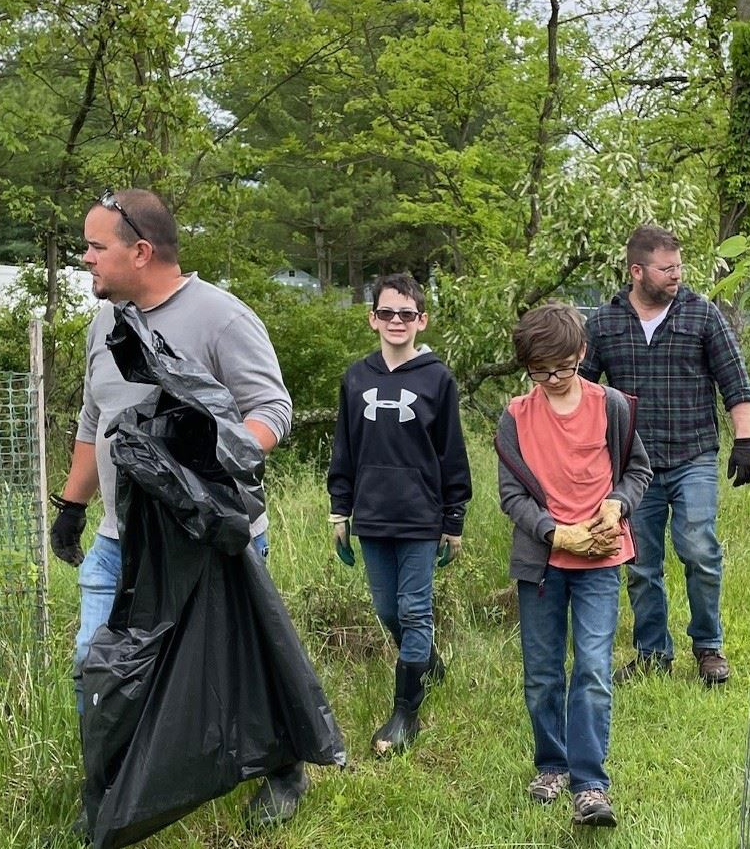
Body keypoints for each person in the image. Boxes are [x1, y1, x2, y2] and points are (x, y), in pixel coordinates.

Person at [46, 188, 302, 829]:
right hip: (119, 540)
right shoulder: (105, 323)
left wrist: (209, 471)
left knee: (234, 667)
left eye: (96, 246)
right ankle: (109, 793)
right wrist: (72, 507)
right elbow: (92, 418)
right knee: (94, 666)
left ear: (140, 251)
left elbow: (272, 411)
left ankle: (283, 768)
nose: (86, 259)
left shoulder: (222, 318)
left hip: (208, 538)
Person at [580, 224, 750, 686]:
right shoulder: (604, 322)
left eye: (679, 266)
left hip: (693, 454)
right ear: (636, 271)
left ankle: (708, 647)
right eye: (666, 268)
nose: (676, 275)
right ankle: (652, 652)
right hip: (632, 466)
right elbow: (578, 389)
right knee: (640, 564)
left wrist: (745, 441)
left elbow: (735, 382)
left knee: (699, 549)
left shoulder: (703, 315)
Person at [496, 302, 653, 828]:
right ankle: (551, 764)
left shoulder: (612, 406)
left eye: (562, 367)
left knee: (591, 668)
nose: (553, 379)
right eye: (540, 371)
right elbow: (511, 496)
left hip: (602, 560)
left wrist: (617, 505)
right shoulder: (515, 415)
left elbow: (636, 472)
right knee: (542, 673)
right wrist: (555, 531)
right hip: (541, 564)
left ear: (581, 354)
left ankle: (589, 783)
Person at [326, 273, 472, 757]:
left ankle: (405, 712)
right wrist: (339, 510)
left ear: (420, 320)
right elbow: (344, 449)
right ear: (373, 318)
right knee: (389, 610)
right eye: (387, 313)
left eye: (406, 314)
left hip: (420, 516)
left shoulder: (437, 378)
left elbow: (452, 452)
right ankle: (428, 664)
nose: (396, 321)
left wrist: (453, 520)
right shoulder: (356, 377)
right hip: (371, 515)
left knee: (413, 609)